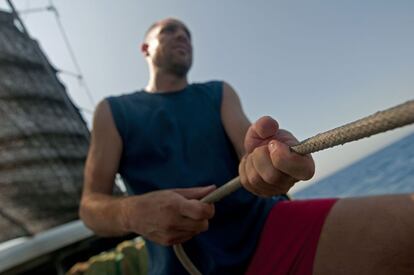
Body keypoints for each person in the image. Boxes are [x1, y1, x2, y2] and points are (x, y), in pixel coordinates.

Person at [79, 18, 414, 275]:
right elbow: (90, 207)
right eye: (169, 31)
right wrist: (129, 212)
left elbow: (248, 150)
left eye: (187, 34)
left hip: (269, 230)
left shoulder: (218, 92)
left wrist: (268, 160)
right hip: (182, 267)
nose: (182, 36)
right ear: (145, 48)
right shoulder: (112, 111)